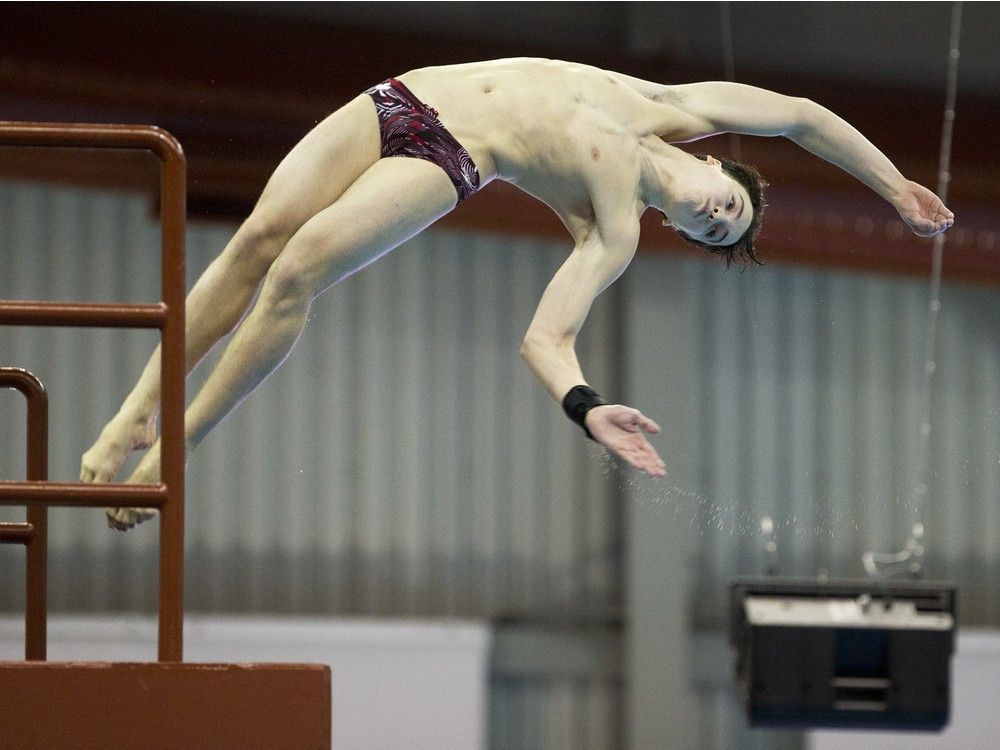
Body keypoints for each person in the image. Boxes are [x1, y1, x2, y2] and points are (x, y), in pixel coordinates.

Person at [79, 58, 954, 531]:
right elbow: (800, 112)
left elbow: (546, 340)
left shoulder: (609, 230)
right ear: (721, 163)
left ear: (678, 233)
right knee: (254, 244)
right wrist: (895, 188)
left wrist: (587, 407)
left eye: (717, 233)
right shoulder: (668, 103)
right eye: (733, 206)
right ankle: (133, 415)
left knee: (298, 269)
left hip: (451, 156)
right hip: (404, 94)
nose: (722, 218)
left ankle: (175, 452)